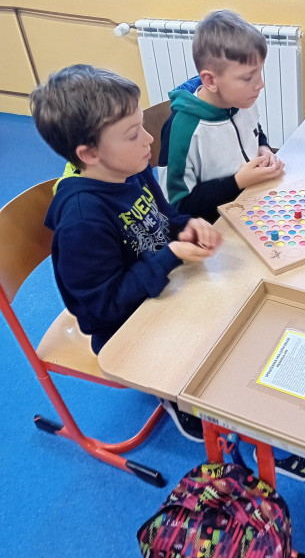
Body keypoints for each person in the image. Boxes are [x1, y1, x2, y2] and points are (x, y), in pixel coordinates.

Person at [30, 64, 222, 442]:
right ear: (89, 153)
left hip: (160, 289)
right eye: (133, 134)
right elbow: (102, 308)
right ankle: (172, 394)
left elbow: (164, 218)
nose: (149, 139)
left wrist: (185, 226)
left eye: (142, 126)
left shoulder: (131, 167)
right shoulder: (82, 220)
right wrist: (171, 255)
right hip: (123, 327)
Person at [159, 9, 284, 223]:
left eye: (259, 71)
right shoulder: (183, 130)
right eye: (247, 77)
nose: (260, 84)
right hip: (214, 227)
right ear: (210, 81)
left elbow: (254, 130)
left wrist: (263, 147)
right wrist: (237, 182)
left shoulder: (240, 100)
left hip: (253, 204)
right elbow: (177, 204)